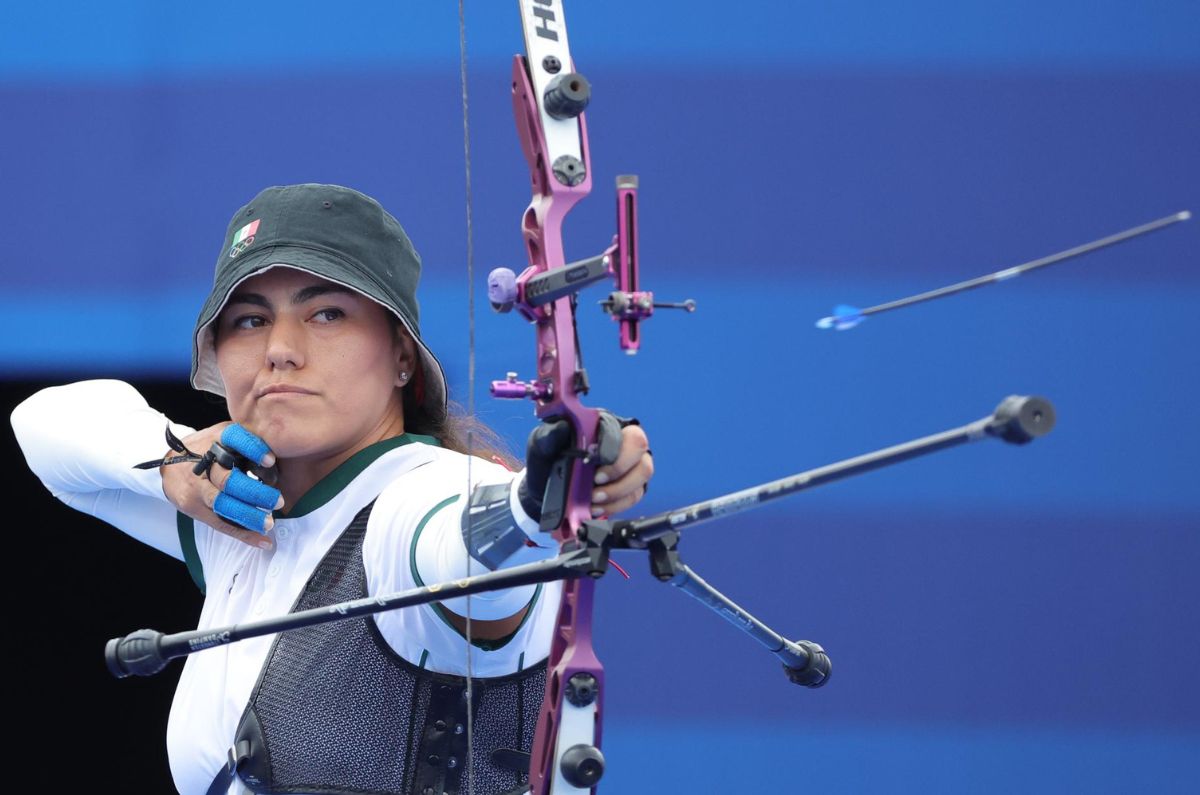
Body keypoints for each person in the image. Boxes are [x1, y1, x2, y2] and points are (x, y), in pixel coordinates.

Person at [10, 184, 652, 795]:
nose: (281, 350)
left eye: (327, 313)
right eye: (249, 320)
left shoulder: (422, 498)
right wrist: (172, 461)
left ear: (403, 356)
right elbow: (41, 429)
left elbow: (461, 545)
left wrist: (538, 501)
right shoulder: (242, 515)